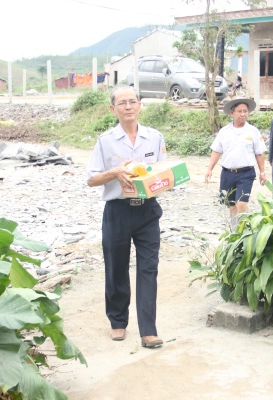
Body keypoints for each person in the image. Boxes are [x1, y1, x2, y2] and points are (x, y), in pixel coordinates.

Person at [86, 85, 165, 349]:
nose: (128, 106)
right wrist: (114, 173)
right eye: (122, 103)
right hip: (117, 211)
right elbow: (91, 179)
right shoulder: (105, 140)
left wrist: (161, 180)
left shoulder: (155, 137)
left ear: (140, 105)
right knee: (116, 267)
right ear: (113, 109)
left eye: (133, 101)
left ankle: (149, 331)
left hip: (148, 211)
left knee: (148, 268)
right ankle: (118, 321)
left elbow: (163, 171)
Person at [205, 98, 267, 229]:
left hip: (246, 173)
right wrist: (209, 169)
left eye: (245, 111)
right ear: (232, 113)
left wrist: (262, 172)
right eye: (239, 111)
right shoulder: (224, 131)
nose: (243, 114)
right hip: (227, 173)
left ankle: (246, 229)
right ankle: (234, 232)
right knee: (231, 205)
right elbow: (217, 151)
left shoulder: (253, 131)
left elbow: (259, 154)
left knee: (242, 203)